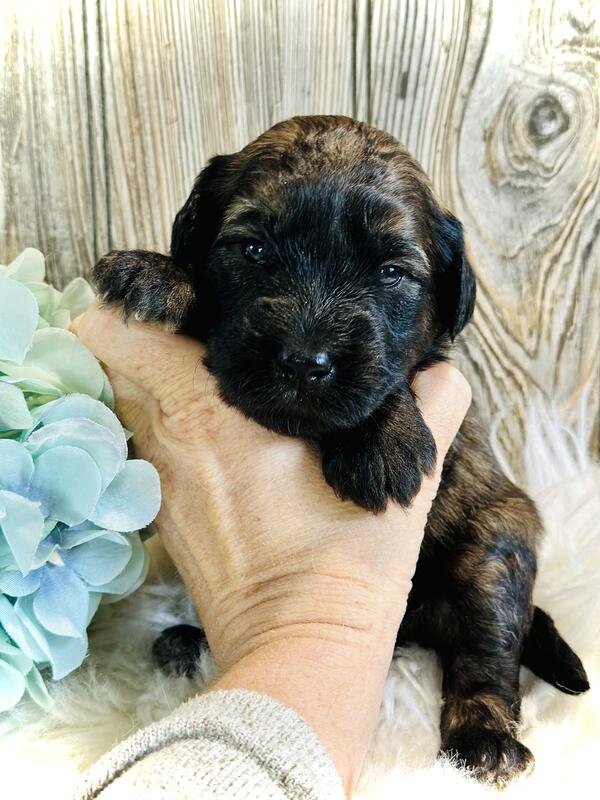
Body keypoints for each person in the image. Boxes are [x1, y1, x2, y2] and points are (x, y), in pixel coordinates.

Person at [72, 303, 471, 800]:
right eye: (259, 259)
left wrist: (315, 622)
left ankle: (484, 702)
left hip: (434, 582)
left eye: (391, 272)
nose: (309, 348)